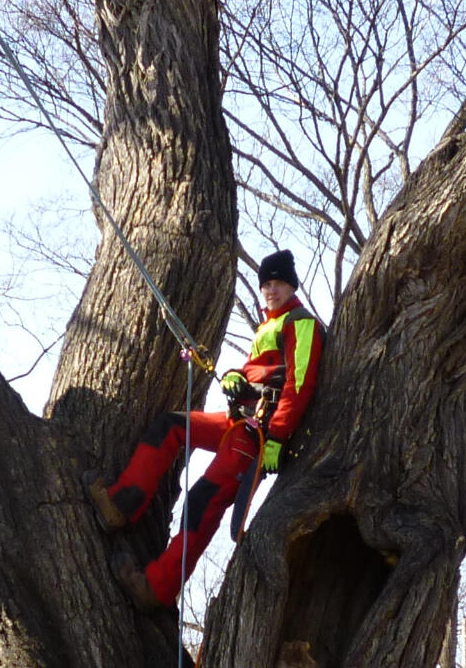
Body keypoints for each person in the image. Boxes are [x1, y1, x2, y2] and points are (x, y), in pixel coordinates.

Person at [88, 250, 324, 610]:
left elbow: (299, 383)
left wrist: (277, 438)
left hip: (258, 433)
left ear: (292, 285)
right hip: (238, 420)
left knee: (203, 499)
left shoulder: (300, 322)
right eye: (266, 284)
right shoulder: (269, 326)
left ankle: (157, 587)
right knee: (171, 426)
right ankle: (120, 505)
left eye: (278, 283)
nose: (271, 290)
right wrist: (234, 377)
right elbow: (255, 371)